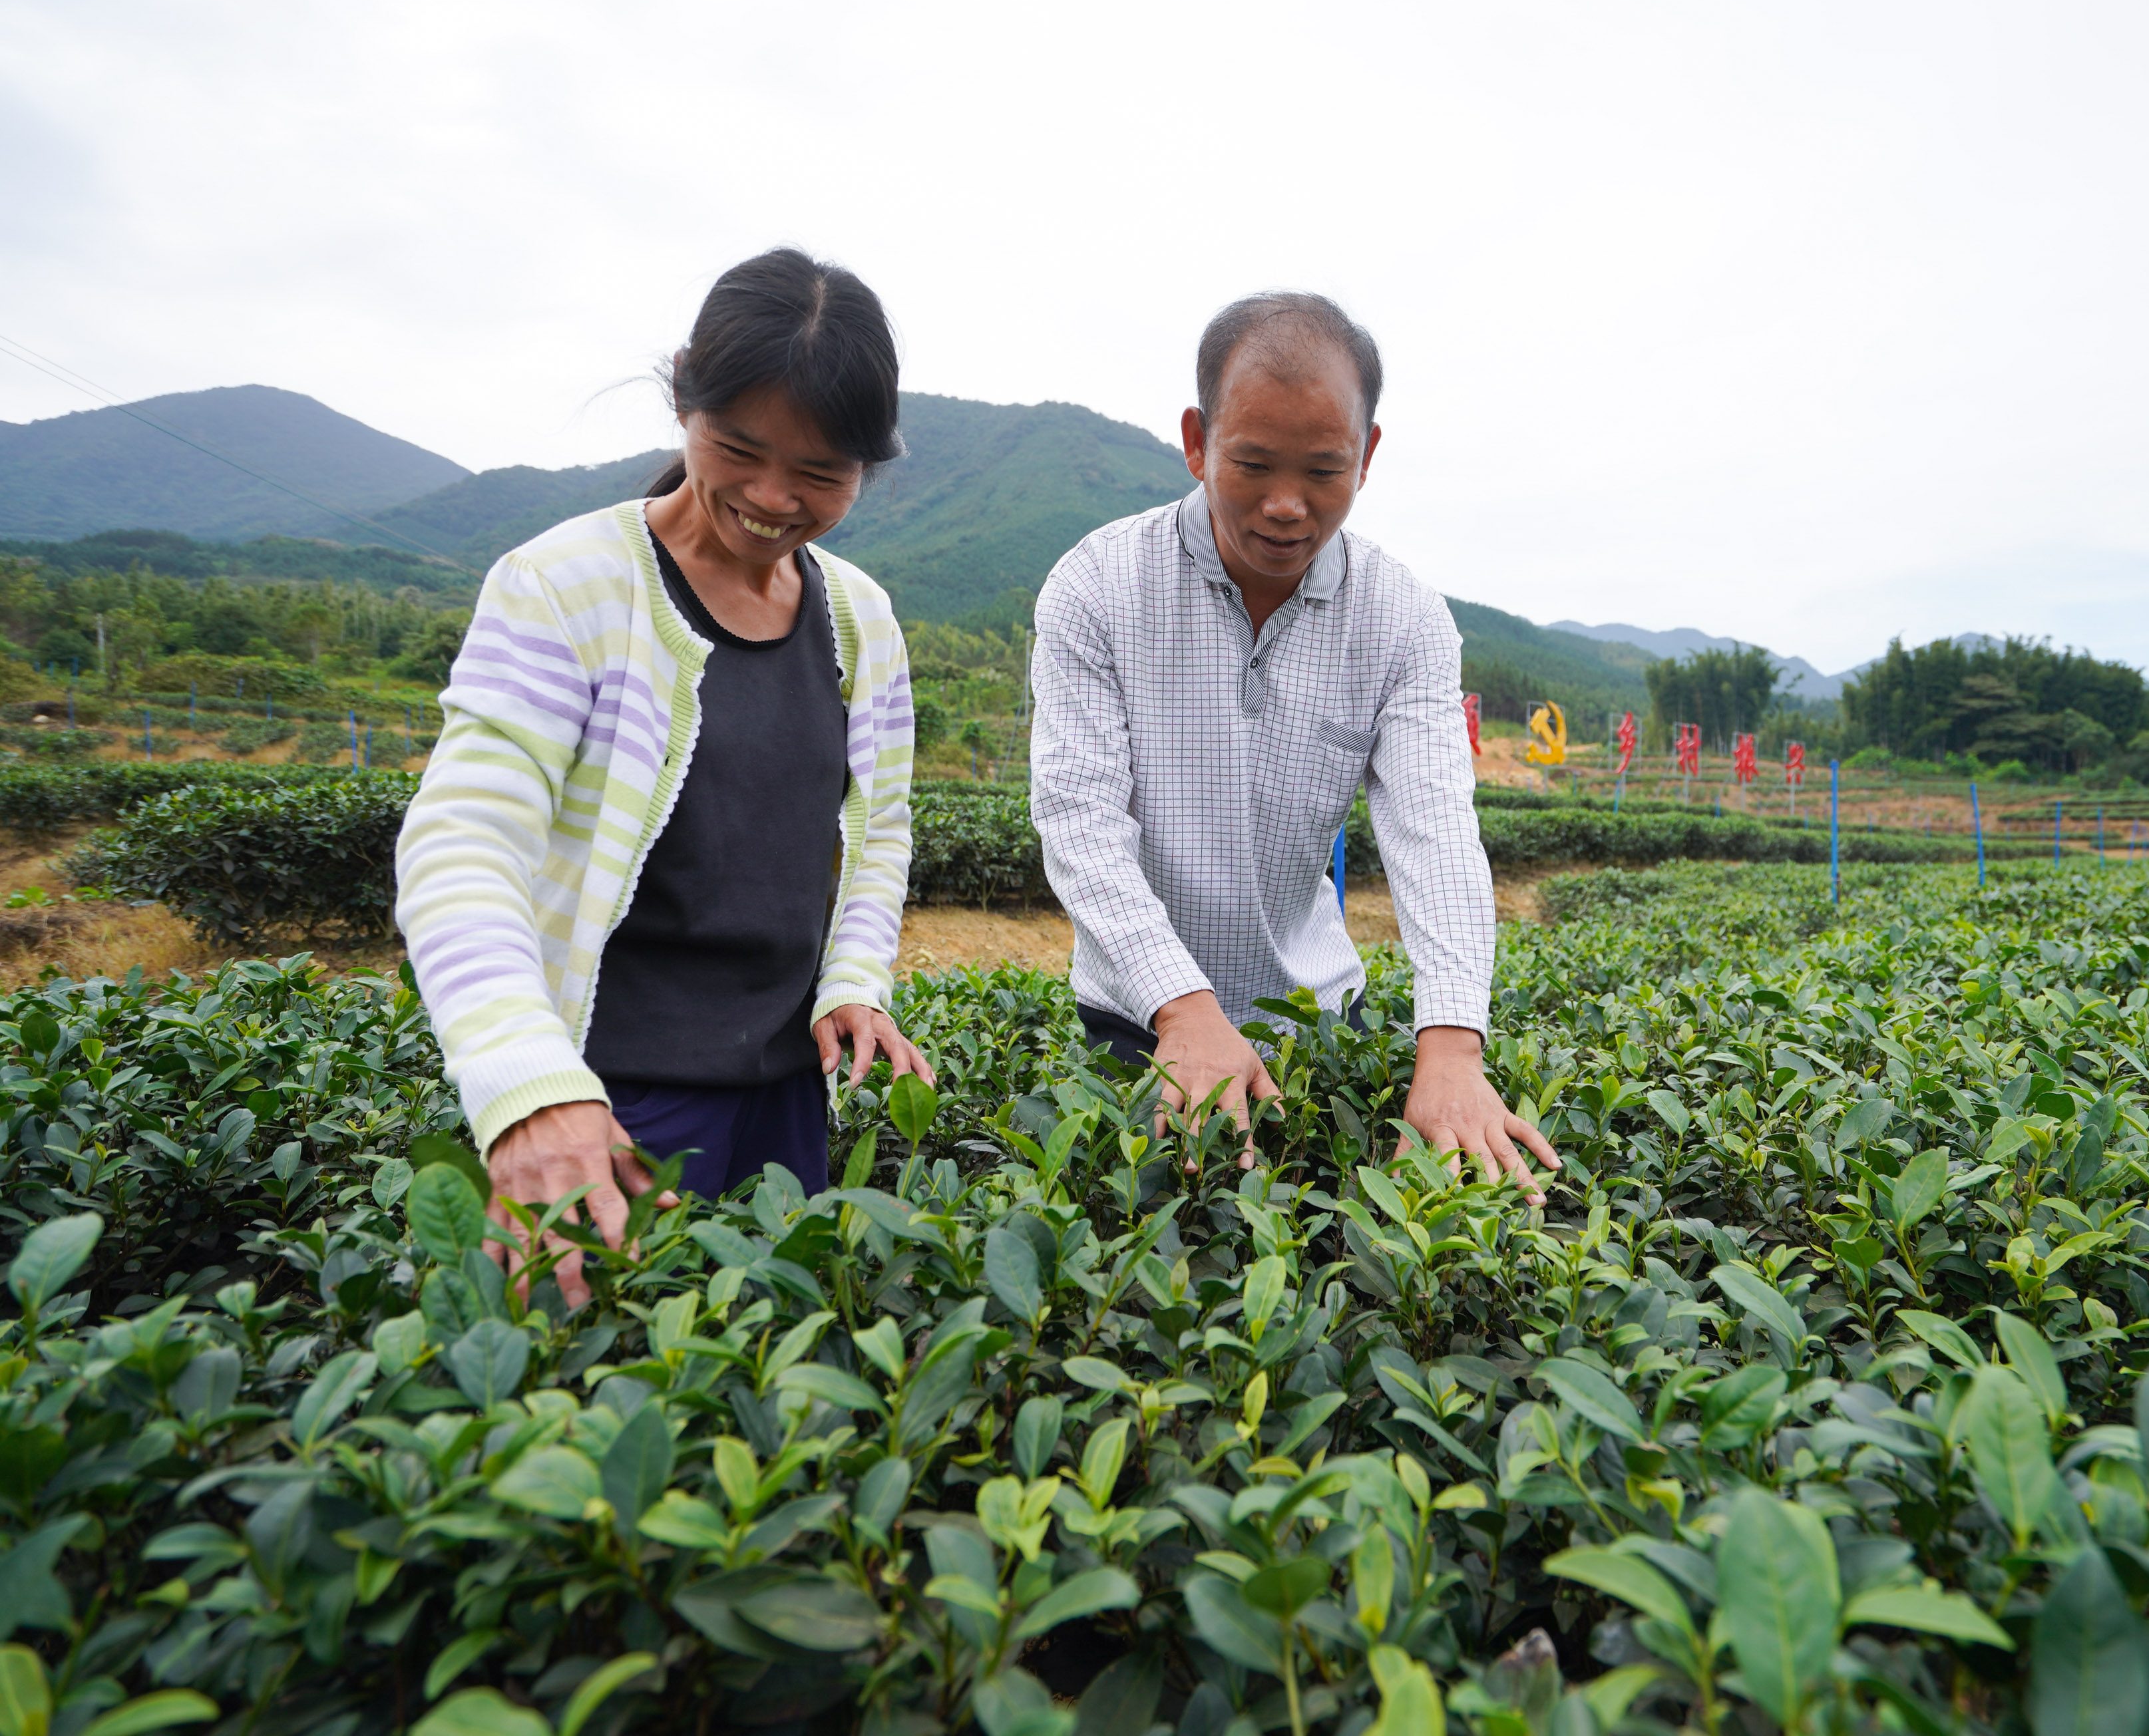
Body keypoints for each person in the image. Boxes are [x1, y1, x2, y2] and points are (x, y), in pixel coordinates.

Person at [396, 248, 934, 1308]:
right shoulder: (566, 586)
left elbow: (879, 832)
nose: (773, 498)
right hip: (610, 1105)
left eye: (821, 473)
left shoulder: (861, 618)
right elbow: (461, 842)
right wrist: (527, 1087)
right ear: (684, 397)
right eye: (740, 449)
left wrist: (853, 981)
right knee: (600, 1375)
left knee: (764, 1364)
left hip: (787, 1096)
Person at [1030, 292, 1558, 1202]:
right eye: (1252, 464)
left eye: (1323, 470)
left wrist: (1451, 1046)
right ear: (1197, 441)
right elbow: (1079, 821)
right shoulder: (1099, 587)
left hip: (1315, 1016)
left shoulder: (1402, 619)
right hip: (1140, 1018)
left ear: (1368, 454)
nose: (1286, 506)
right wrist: (1182, 1008)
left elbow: (1436, 831)